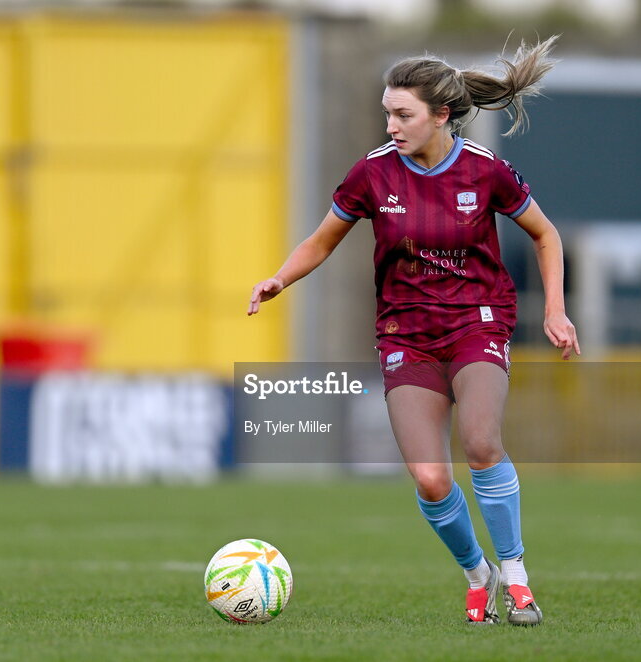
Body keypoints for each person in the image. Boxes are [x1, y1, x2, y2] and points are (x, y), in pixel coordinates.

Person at [247, 36, 579, 626]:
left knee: (480, 442)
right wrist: (279, 279)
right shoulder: (372, 174)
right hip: (406, 335)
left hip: (477, 323)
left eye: (403, 114)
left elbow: (546, 235)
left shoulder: (486, 169)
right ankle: (477, 573)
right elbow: (322, 239)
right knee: (429, 479)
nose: (392, 125)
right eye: (387, 113)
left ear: (441, 114)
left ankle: (516, 576)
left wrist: (554, 310)